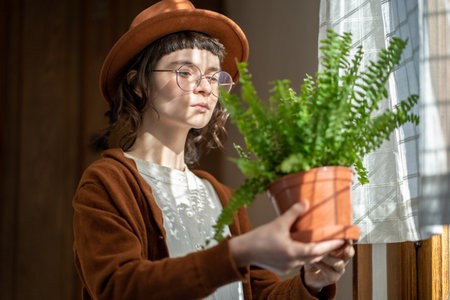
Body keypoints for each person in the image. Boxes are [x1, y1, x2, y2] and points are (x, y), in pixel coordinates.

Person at [72, 1, 354, 299]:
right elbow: (119, 288)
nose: (206, 87)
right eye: (185, 71)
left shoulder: (222, 197)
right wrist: (237, 252)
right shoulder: (107, 183)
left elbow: (263, 294)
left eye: (214, 76)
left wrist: (313, 281)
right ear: (138, 83)